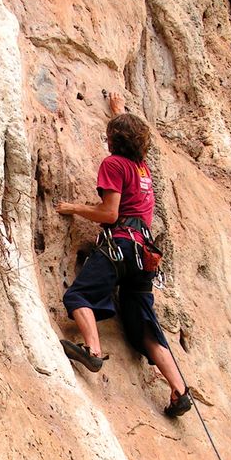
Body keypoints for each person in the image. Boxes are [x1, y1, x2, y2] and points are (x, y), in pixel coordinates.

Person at [56, 92, 193, 418]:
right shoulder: (142, 168)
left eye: (109, 136)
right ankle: (180, 390)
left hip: (122, 244)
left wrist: (73, 208)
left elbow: (109, 213)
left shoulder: (114, 164)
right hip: (144, 255)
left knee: (78, 296)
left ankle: (93, 350)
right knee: (143, 327)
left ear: (113, 141)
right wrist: (118, 111)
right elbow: (133, 133)